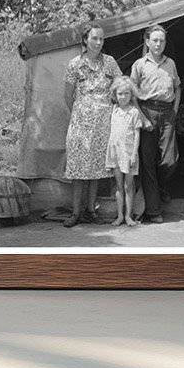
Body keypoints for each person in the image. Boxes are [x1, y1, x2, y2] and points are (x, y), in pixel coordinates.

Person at [61, 22, 121, 228]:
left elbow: (121, 86)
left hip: (103, 123)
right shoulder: (74, 64)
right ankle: (76, 212)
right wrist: (82, 113)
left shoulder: (110, 62)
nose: (98, 42)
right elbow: (67, 96)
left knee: (95, 169)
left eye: (101, 39)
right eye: (94, 38)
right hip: (80, 124)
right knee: (78, 169)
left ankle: (90, 211)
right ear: (85, 40)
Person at [130, 23, 180, 224]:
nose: (159, 44)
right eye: (155, 40)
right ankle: (153, 210)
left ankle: (161, 187)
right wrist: (141, 117)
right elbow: (131, 92)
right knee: (148, 162)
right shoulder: (139, 65)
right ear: (147, 42)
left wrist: (175, 110)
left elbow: (178, 88)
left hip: (167, 112)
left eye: (162, 40)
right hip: (146, 110)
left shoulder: (171, 64)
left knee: (170, 160)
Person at [106, 76, 147, 227]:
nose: (123, 97)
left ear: (131, 95)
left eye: (126, 94)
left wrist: (134, 154)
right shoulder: (114, 110)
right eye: (120, 94)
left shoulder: (134, 112)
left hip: (128, 153)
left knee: (128, 185)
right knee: (118, 185)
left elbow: (137, 134)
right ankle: (119, 216)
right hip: (115, 152)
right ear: (115, 95)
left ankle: (129, 216)